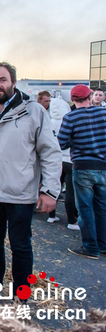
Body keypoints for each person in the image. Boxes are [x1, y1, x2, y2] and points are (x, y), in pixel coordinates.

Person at [0, 62, 61, 301]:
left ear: (13, 83)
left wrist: (50, 191)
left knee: (20, 246)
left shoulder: (33, 112)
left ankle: (22, 295)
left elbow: (50, 152)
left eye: (2, 80)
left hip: (20, 194)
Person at [58, 84, 106, 260]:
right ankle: (103, 245)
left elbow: (60, 143)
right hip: (103, 167)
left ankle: (90, 247)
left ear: (73, 99)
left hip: (82, 166)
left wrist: (73, 140)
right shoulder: (103, 114)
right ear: (90, 96)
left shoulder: (70, 117)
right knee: (102, 208)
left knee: (85, 209)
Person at [49, 96, 78, 230]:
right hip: (69, 159)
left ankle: (51, 215)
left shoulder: (49, 122)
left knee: (55, 187)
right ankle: (72, 221)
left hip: (55, 159)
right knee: (70, 192)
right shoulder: (69, 121)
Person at [36, 90, 60, 224]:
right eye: (46, 101)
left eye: (49, 101)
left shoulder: (49, 115)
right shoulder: (35, 113)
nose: (48, 104)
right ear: (39, 100)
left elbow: (51, 150)